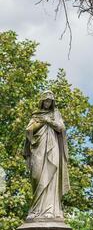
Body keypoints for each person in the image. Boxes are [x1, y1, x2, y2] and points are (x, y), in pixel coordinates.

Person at [24, 90, 70, 220]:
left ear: (52, 103)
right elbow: (29, 130)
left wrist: (49, 121)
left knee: (51, 177)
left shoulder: (56, 114)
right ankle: (35, 210)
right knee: (37, 176)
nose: (48, 103)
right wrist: (43, 121)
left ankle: (50, 209)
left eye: (50, 101)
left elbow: (61, 128)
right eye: (46, 100)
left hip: (53, 147)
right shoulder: (36, 115)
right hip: (38, 149)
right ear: (42, 101)